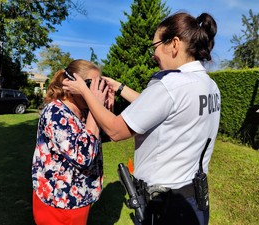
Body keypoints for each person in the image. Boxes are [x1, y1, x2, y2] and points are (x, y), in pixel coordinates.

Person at [63, 12, 220, 225]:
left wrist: (85, 90)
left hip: (166, 206)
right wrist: (120, 88)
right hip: (194, 200)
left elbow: (115, 131)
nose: (153, 54)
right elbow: (159, 109)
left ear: (174, 44)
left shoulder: (171, 85)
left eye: (154, 46)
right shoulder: (208, 85)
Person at [31, 59, 112, 225]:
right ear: (72, 86)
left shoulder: (82, 111)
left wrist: (105, 110)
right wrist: (96, 105)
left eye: (99, 84)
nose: (95, 90)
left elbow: (102, 137)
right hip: (60, 201)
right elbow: (83, 155)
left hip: (76, 197)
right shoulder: (56, 112)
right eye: (90, 84)